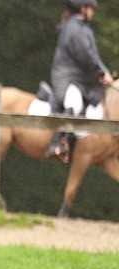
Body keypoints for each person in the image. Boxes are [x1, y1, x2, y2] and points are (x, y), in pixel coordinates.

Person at [46, 0, 114, 162]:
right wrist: (101, 72)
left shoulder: (83, 28)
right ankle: (57, 144)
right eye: (90, 8)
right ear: (81, 8)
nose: (93, 12)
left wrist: (104, 73)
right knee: (75, 104)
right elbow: (84, 55)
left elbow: (93, 56)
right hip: (67, 77)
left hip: (80, 80)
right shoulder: (73, 28)